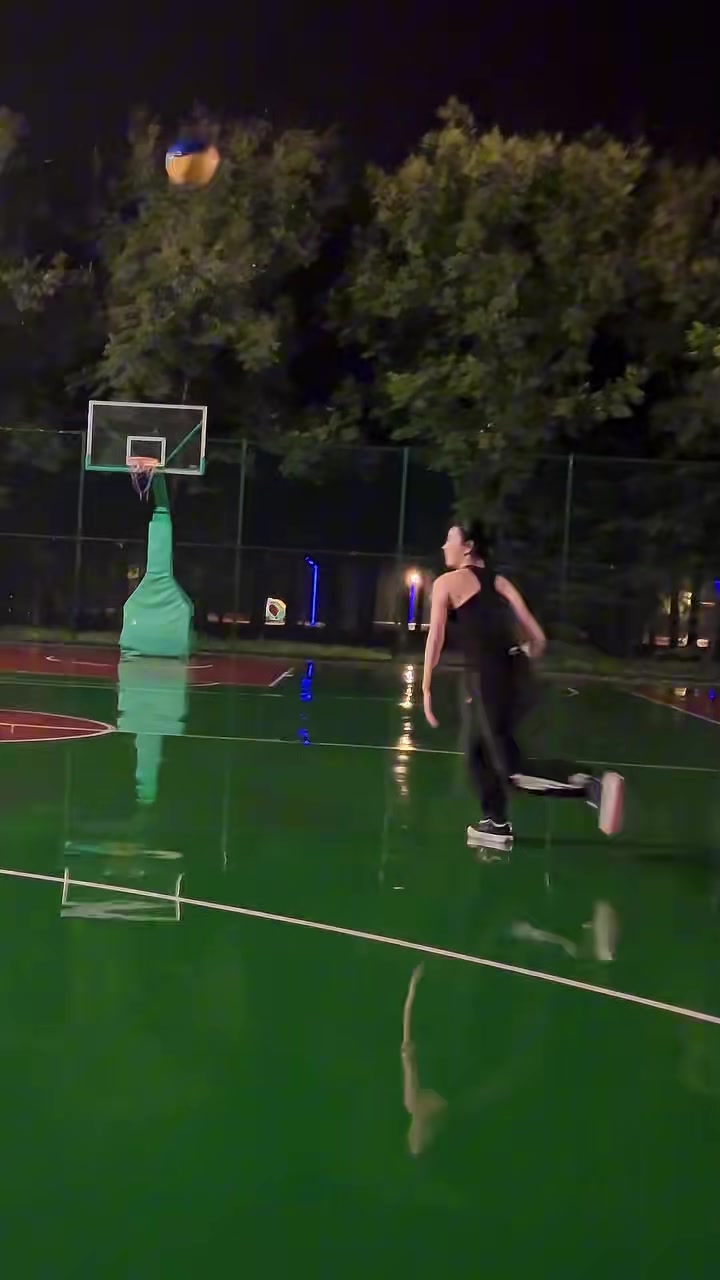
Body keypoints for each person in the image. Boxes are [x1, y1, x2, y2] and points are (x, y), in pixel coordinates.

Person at [422, 522, 624, 851]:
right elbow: (538, 639)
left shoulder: (447, 582)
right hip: (511, 673)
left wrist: (426, 688)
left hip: (488, 677)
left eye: (450, 539)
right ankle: (495, 822)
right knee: (477, 752)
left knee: (512, 771)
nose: (444, 545)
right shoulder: (500, 582)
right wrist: (516, 660)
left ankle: (590, 786)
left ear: (468, 546)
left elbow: (436, 637)